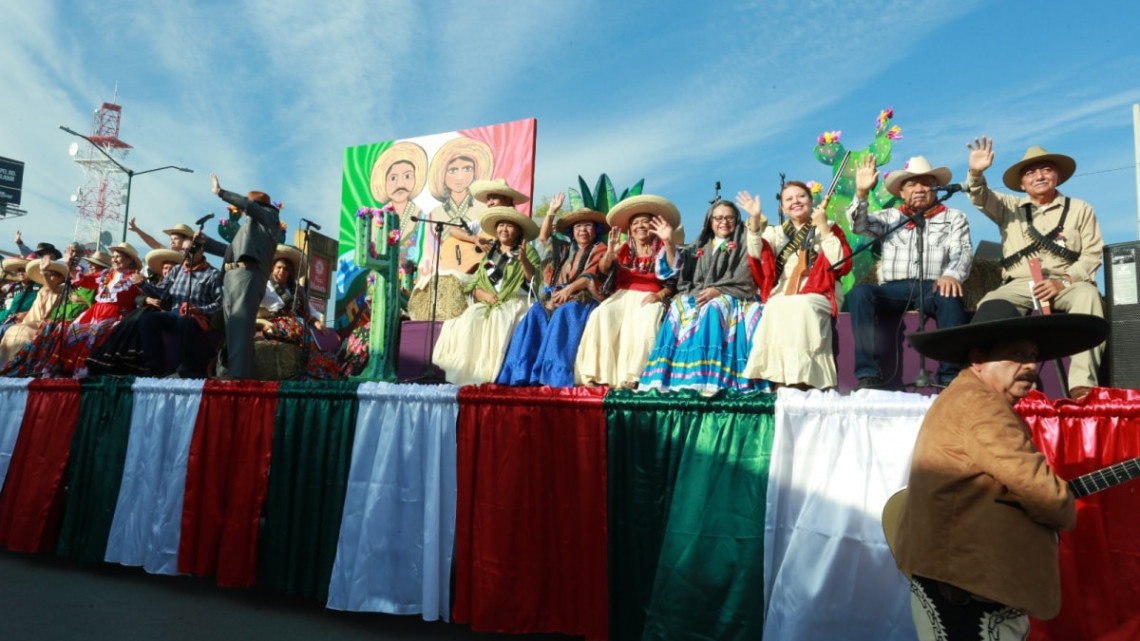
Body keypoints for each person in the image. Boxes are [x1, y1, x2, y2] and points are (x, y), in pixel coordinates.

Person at [892, 299, 1108, 639]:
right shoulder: (981, 405)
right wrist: (1063, 509)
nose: (1031, 365)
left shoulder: (968, 397)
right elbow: (1045, 493)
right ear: (978, 360)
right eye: (1018, 355)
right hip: (967, 592)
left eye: (1033, 355)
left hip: (960, 582)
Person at [964, 139, 1105, 399]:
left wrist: (1063, 281)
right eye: (1030, 172)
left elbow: (1091, 255)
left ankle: (1082, 386)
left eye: (1046, 169)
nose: (1039, 176)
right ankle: (992, 384)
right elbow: (980, 197)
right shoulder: (1009, 207)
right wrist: (976, 172)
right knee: (991, 302)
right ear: (1021, 184)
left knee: (1088, 295)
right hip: (1019, 284)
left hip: (1064, 282)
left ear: (1057, 176)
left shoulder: (1081, 209)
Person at [847, 155, 973, 389]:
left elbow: (962, 250)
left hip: (933, 286)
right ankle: (868, 375)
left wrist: (951, 274)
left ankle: (950, 377)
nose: (919, 188)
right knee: (861, 294)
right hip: (893, 289)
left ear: (936, 188)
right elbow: (859, 226)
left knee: (950, 293)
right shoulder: (890, 217)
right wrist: (862, 194)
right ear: (901, 193)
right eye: (911, 184)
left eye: (925, 183)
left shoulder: (954, 217)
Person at [639, 198, 765, 393]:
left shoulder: (743, 243)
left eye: (730, 218)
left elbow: (747, 276)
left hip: (732, 295)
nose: (724, 222)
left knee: (714, 307)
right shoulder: (700, 245)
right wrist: (669, 241)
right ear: (709, 221)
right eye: (719, 218)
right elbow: (677, 270)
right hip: (696, 293)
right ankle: (674, 379)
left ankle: (711, 379)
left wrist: (719, 290)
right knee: (677, 307)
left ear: (737, 220)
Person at [738, 182, 852, 389]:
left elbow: (840, 263)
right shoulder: (776, 232)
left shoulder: (830, 225)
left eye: (801, 196)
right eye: (789, 199)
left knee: (803, 305)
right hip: (784, 291)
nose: (795, 202)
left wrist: (824, 227)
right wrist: (754, 219)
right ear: (782, 207)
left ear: (811, 200)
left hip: (822, 291)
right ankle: (779, 380)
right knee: (774, 306)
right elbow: (755, 253)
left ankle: (805, 380)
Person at [496, 192, 608, 387]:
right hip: (557, 295)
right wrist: (551, 212)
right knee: (536, 312)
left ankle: (553, 374)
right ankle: (522, 371)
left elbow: (590, 275)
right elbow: (544, 237)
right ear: (572, 231)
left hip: (583, 298)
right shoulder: (564, 248)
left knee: (564, 312)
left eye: (588, 225)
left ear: (595, 229)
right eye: (578, 226)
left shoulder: (600, 248)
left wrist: (568, 291)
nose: (583, 230)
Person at [575, 195, 679, 389]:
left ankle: (637, 375)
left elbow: (674, 275)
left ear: (655, 226)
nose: (640, 226)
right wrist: (609, 254)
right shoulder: (622, 248)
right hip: (621, 294)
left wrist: (659, 295)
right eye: (635, 223)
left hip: (651, 295)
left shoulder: (665, 248)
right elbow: (603, 271)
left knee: (648, 318)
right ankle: (599, 374)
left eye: (646, 222)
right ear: (630, 229)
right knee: (601, 314)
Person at [431, 205, 540, 386]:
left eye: (509, 226)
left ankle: (493, 373)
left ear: (519, 230)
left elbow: (534, 282)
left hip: (515, 300)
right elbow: (475, 283)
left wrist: (524, 261)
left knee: (500, 318)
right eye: (501, 225)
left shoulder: (527, 251)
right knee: (469, 318)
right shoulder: (491, 252)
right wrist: (481, 294)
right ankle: (468, 373)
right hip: (489, 301)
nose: (504, 229)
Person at [409, 177, 529, 322]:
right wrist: (475, 239)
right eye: (488, 199)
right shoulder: (482, 223)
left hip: (497, 280)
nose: (489, 203)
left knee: (457, 279)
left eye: (494, 198)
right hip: (476, 273)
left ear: (508, 200)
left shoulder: (517, 225)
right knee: (445, 276)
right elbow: (453, 231)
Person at [210, 173, 281, 379]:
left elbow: (249, 206)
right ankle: (235, 373)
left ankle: (238, 378)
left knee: (240, 328)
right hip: (232, 276)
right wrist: (203, 242)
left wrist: (221, 192)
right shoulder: (248, 228)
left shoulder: (270, 219)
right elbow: (228, 250)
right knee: (232, 330)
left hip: (248, 274)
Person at [135, 239, 223, 378]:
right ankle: (154, 366)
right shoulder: (177, 270)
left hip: (199, 316)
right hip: (175, 312)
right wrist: (142, 284)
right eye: (184, 250)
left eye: (191, 250)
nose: (187, 253)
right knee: (147, 320)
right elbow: (161, 292)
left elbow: (219, 303)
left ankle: (186, 367)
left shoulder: (213, 274)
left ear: (201, 251)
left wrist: (199, 310)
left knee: (185, 322)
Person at [51, 243, 142, 377]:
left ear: (130, 260)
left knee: (98, 333)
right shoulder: (106, 274)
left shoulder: (134, 278)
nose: (114, 259)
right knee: (74, 331)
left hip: (116, 315)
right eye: (113, 256)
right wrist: (70, 265)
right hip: (96, 312)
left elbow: (142, 298)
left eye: (119, 256)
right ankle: (68, 368)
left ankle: (88, 369)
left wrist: (130, 312)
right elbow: (85, 280)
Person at [370, 141, 430, 274]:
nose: (400, 183)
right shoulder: (376, 218)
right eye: (393, 178)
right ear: (383, 181)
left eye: (407, 176)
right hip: (378, 281)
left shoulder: (424, 219)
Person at [0, 258, 67, 369]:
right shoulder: (42, 289)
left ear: (61, 278)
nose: (49, 277)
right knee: (11, 330)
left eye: (53, 274)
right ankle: (5, 365)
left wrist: (45, 272)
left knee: (24, 332)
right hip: (29, 321)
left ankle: (17, 366)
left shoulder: (62, 288)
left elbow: (53, 287)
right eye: (48, 274)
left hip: (44, 325)